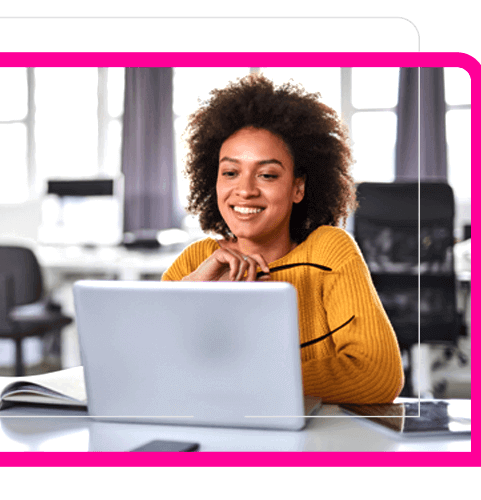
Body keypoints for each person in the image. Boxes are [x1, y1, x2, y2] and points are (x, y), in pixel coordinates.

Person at [162, 73, 404, 404]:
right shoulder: (195, 263)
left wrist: (241, 380)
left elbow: (377, 374)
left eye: (267, 175)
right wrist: (187, 299)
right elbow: (152, 373)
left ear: (298, 188)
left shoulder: (330, 252)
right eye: (230, 172)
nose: (245, 190)